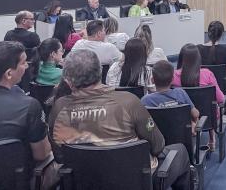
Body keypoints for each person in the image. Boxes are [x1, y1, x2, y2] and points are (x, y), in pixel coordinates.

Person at [49, 49, 191, 189]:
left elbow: (60, 157)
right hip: (135, 182)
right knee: (180, 151)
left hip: (83, 183)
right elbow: (158, 145)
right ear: (100, 72)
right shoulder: (129, 101)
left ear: (68, 81)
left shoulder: (59, 108)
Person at [0, 41, 58, 188]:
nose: (27, 66)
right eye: (23, 63)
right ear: (9, 73)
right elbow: (42, 154)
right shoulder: (29, 106)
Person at [172, 43, 225, 151]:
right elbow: (220, 99)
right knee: (210, 105)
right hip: (208, 118)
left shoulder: (173, 76)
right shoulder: (207, 74)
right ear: (198, 59)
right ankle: (211, 139)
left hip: (182, 118)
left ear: (181, 58)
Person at [141, 60, 200, 134]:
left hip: (159, 139)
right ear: (172, 79)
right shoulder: (180, 93)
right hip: (182, 137)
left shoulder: (146, 100)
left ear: (152, 80)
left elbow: (146, 126)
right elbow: (195, 114)